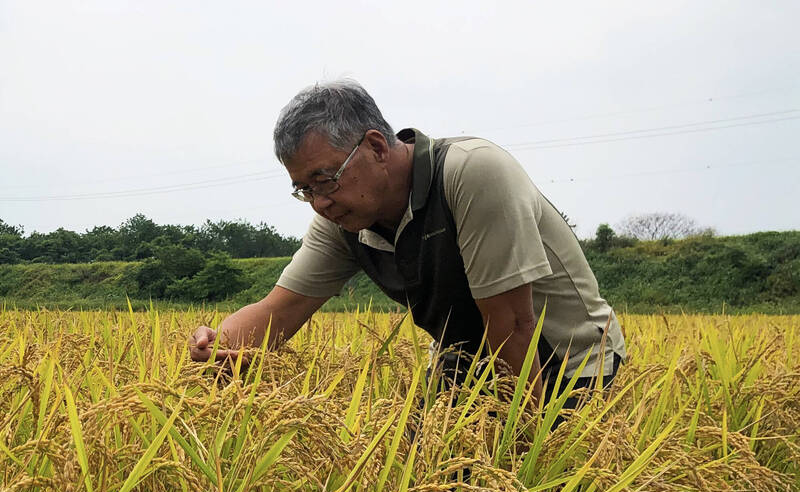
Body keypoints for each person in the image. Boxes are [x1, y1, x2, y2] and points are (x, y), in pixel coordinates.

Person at [190, 79, 626, 406]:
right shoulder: (342, 219)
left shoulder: (471, 173)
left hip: (568, 366)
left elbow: (513, 325)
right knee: (411, 486)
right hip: (469, 366)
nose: (318, 203)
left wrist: (522, 450)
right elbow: (278, 310)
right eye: (304, 189)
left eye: (324, 180)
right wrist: (218, 343)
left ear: (377, 146)